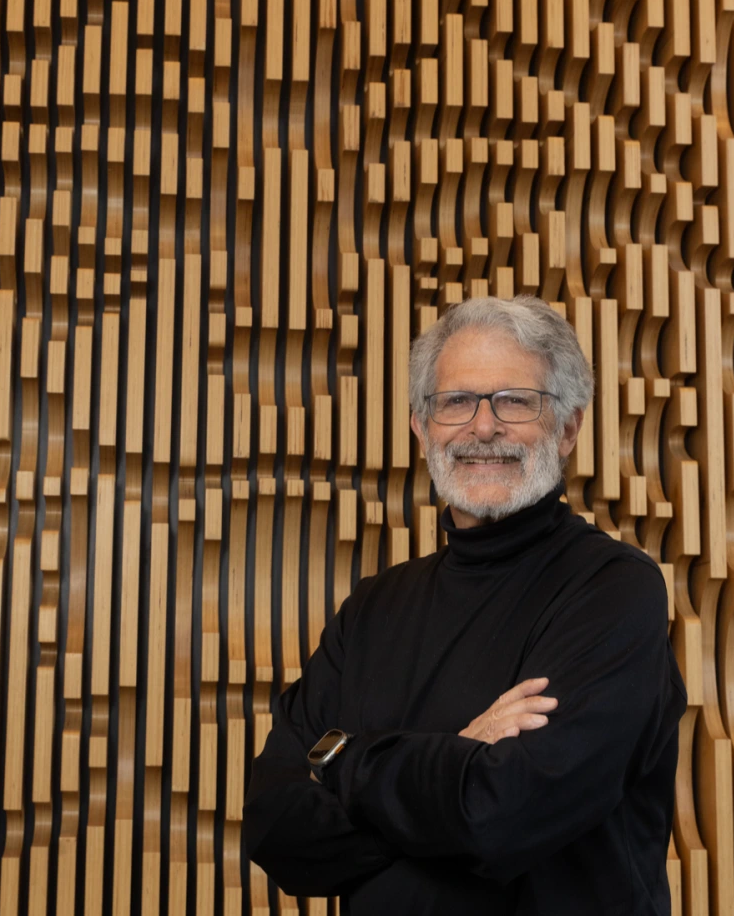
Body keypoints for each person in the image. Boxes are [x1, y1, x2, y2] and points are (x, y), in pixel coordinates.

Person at [243, 295, 687, 914]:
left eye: (515, 400)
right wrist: (458, 754)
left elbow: (501, 813)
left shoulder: (612, 591)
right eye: (456, 401)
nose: (483, 427)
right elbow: (275, 826)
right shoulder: (373, 608)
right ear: (422, 426)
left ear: (568, 427)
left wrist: (344, 758)